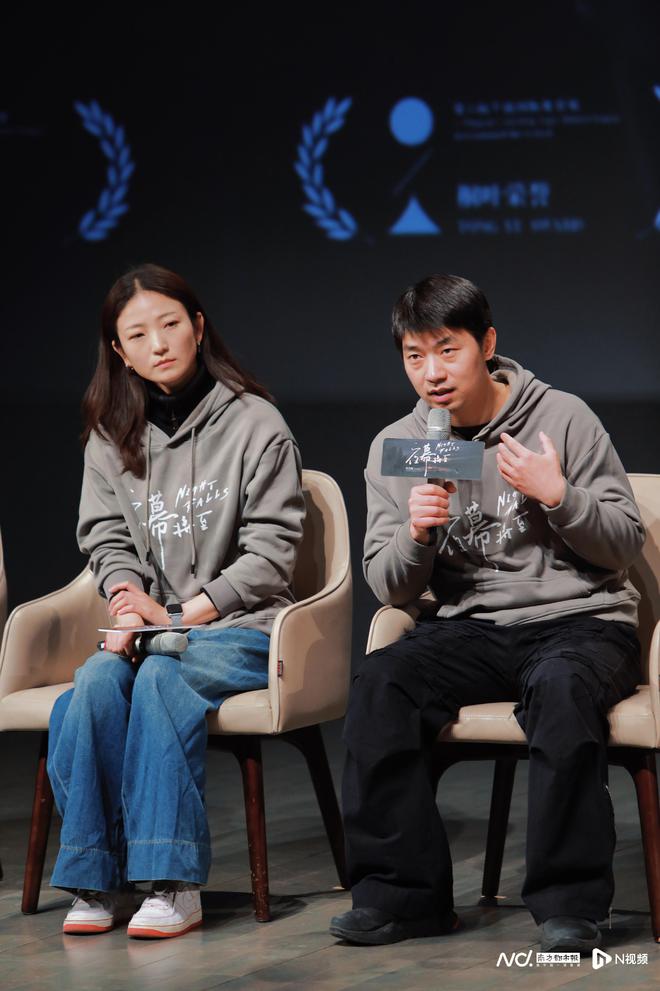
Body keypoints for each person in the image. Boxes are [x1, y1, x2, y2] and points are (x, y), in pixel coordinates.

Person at [330, 273, 644, 951]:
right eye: (415, 356)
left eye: (448, 350)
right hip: (471, 627)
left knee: (562, 689)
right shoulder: (400, 444)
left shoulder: (562, 417)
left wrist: (559, 496)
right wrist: (416, 535)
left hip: (580, 619)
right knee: (381, 683)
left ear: (488, 344)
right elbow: (390, 587)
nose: (433, 373)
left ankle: (570, 905)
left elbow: (624, 543)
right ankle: (403, 897)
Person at [47, 263, 305, 938]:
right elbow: (106, 536)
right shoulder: (110, 433)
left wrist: (178, 615)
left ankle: (172, 882)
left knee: (163, 674)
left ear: (198, 327)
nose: (158, 343)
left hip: (242, 629)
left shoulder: (256, 423)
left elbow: (271, 556)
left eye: (170, 324)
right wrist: (126, 599)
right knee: (93, 684)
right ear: (119, 350)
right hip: (153, 631)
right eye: (138, 334)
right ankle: (96, 882)